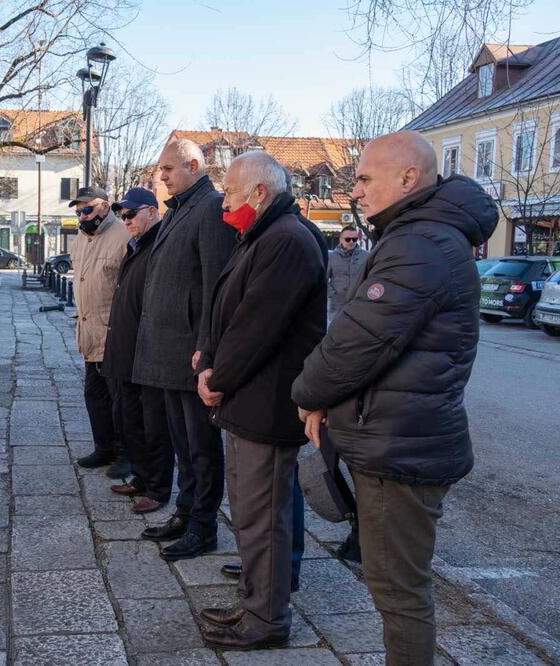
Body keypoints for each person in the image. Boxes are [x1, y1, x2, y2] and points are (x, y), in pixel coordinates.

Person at [292, 131, 498, 666]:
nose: (355, 191)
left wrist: (307, 394)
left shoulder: (420, 243)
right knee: (396, 587)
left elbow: (357, 341)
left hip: (400, 448)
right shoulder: (419, 236)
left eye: (363, 178)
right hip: (398, 437)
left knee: (399, 593)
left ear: (408, 178)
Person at [196, 151, 326, 650]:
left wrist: (219, 376)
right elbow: (228, 309)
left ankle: (267, 620)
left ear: (259, 193)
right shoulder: (263, 235)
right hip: (248, 401)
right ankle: (254, 602)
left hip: (266, 403)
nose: (224, 201)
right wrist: (209, 359)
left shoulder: (288, 240)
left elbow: (256, 325)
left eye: (229, 192)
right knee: (250, 515)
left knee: (264, 517)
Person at [133, 139, 237, 561]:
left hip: (190, 356)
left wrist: (206, 351)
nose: (162, 177)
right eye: (161, 171)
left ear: (194, 165)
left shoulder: (210, 208)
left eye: (169, 170)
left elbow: (216, 286)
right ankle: (184, 511)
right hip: (166, 354)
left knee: (201, 448)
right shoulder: (179, 210)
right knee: (182, 444)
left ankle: (203, 527)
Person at [101, 188, 173, 514]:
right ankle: (142, 477)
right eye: (123, 216)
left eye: (131, 215)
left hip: (146, 354)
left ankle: (158, 488)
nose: (126, 221)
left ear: (151, 211)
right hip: (125, 351)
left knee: (153, 425)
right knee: (129, 420)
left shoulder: (160, 244)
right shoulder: (137, 245)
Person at [68, 186, 131, 477]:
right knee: (94, 396)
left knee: (121, 400)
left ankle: (125, 453)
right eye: (78, 211)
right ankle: (103, 447)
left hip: (114, 333)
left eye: (88, 209)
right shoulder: (81, 238)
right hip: (89, 332)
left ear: (105, 207)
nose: (82, 215)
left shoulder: (123, 236)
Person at [327, 225, 369, 321]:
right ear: (341, 239)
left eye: (354, 239)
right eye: (348, 239)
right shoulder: (331, 257)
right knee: (336, 333)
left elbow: (371, 277)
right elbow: (323, 280)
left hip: (359, 303)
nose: (351, 242)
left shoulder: (366, 256)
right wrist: (332, 294)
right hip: (337, 305)